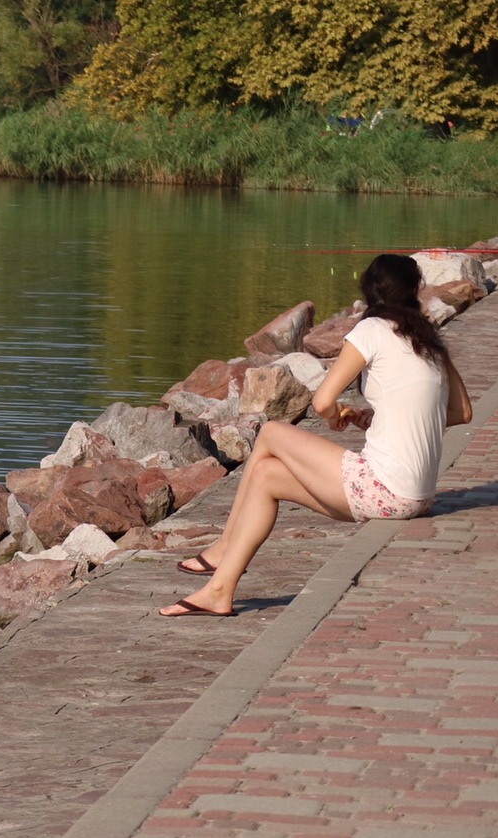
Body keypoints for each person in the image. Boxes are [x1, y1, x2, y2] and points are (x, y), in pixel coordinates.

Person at [162, 254, 473, 617]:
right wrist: (381, 417)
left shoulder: (371, 331)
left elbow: (324, 400)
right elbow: (461, 413)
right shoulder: (429, 340)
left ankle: (223, 547)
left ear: (370, 292)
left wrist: (334, 417)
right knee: (266, 475)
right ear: (414, 292)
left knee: (273, 433)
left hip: (384, 488)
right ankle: (220, 589)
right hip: (418, 496)